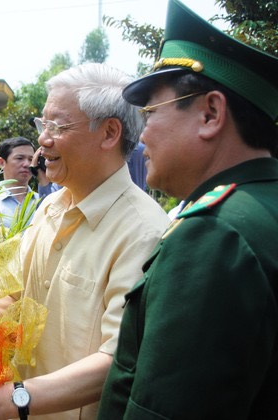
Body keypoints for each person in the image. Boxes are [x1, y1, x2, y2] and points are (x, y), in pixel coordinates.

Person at [0, 63, 170, 420]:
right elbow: (10, 295)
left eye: (58, 126)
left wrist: (11, 399)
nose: (43, 140)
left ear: (109, 133)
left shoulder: (142, 231)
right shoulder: (51, 205)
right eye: (43, 124)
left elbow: (116, 360)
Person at [98, 0, 278, 417]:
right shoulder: (258, 207)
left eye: (150, 113)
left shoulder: (214, 233)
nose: (142, 137)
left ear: (210, 113)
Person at [0, 136, 39, 228]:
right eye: (19, 158)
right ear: (2, 163)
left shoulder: (42, 201)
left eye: (31, 159)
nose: (27, 164)